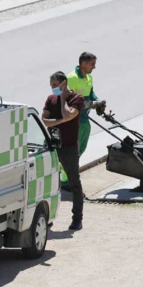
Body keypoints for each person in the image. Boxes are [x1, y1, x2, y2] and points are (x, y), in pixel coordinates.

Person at [42, 71, 85, 231]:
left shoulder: (77, 99)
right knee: (48, 184)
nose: (53, 89)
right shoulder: (50, 99)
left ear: (63, 83)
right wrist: (61, 121)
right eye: (51, 86)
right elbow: (45, 120)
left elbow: (69, 114)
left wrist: (62, 99)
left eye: (55, 85)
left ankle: (77, 219)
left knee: (74, 183)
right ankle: (48, 217)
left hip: (69, 147)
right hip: (53, 147)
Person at [65, 52, 103, 189]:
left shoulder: (89, 77)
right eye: (92, 64)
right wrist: (85, 103)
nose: (94, 67)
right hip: (73, 120)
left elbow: (91, 92)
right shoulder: (71, 78)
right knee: (72, 150)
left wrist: (97, 101)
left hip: (84, 119)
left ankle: (69, 174)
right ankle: (65, 179)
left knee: (81, 148)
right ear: (84, 64)